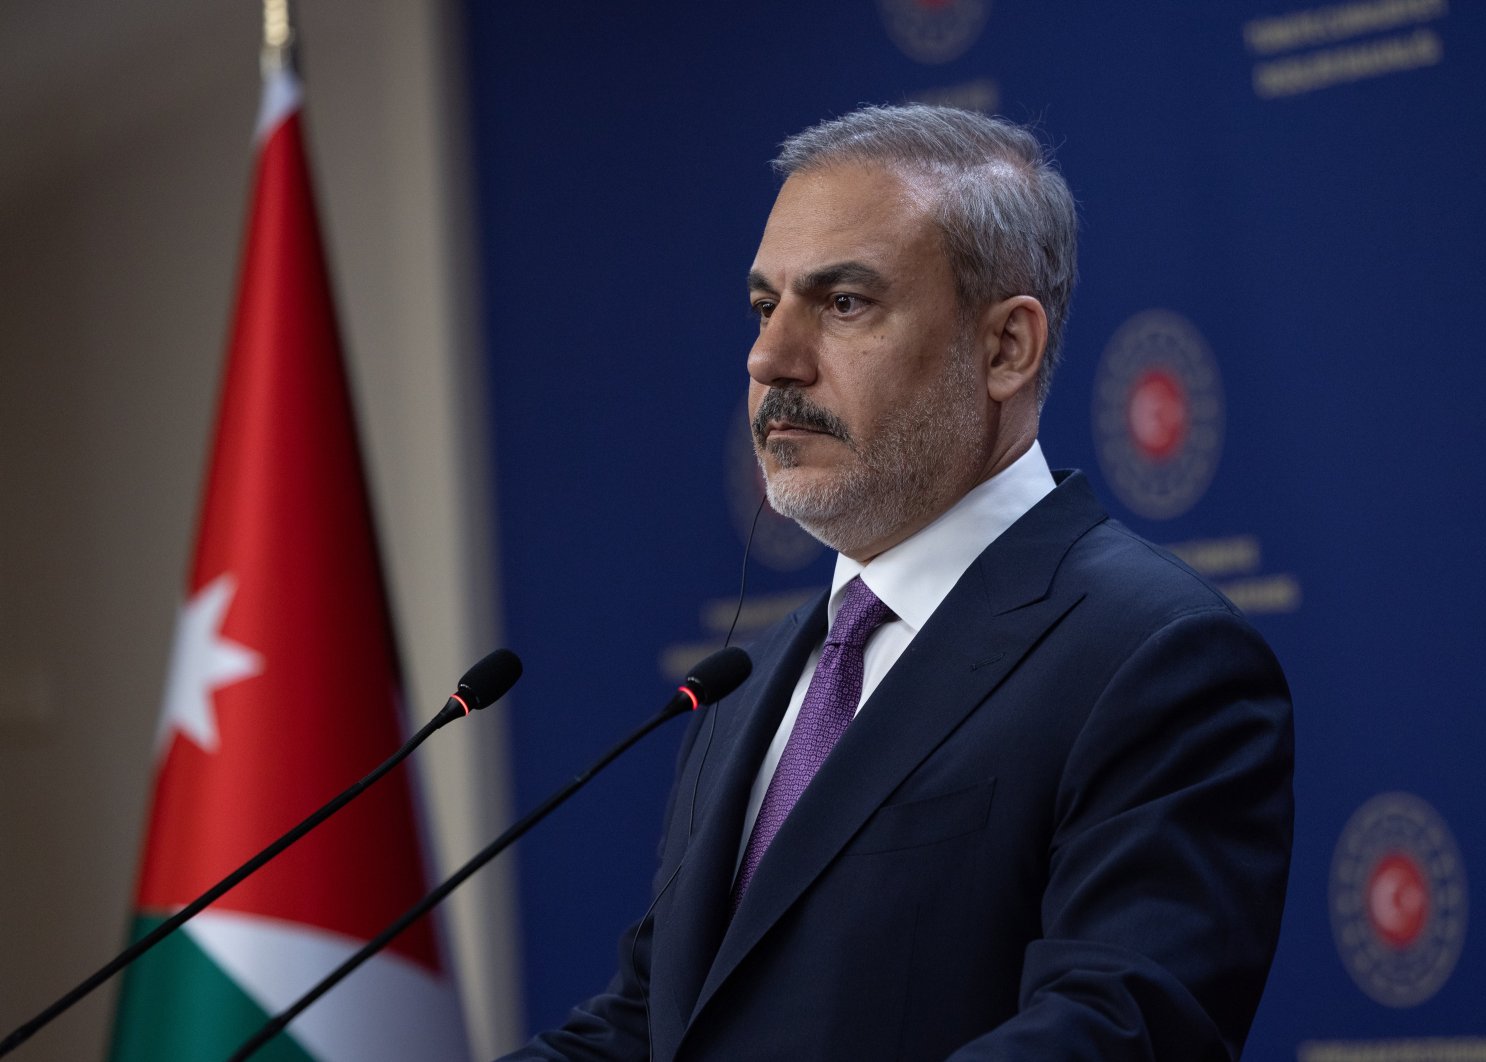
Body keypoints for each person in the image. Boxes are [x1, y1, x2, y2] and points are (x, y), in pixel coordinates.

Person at [501, 104, 1293, 1061]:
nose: (770, 360)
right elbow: (649, 1030)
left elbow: (1114, 1031)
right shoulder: (744, 688)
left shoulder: (1153, 657)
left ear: (1007, 349)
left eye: (843, 305)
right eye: (765, 306)